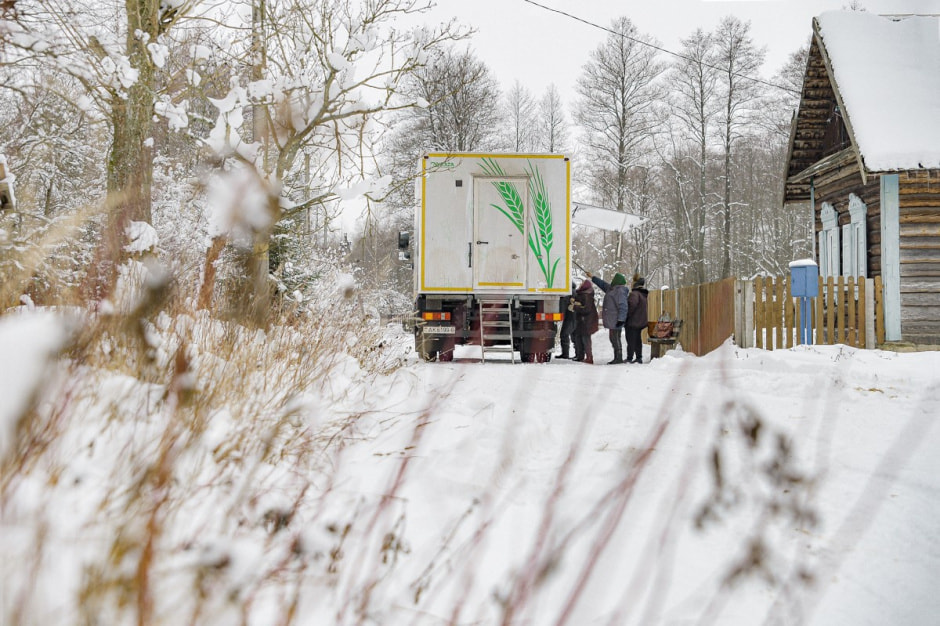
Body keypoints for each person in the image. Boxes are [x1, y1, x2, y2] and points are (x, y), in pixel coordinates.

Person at [587, 270, 629, 364]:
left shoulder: (620, 291)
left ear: (616, 281)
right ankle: (617, 357)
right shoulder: (612, 289)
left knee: (615, 338)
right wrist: (592, 277)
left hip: (616, 319)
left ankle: (618, 358)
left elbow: (623, 306)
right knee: (613, 338)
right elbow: (602, 284)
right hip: (612, 319)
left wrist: (621, 319)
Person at [571, 278, 599, 363]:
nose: (580, 285)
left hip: (586, 321)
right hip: (582, 321)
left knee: (585, 339)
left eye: (582, 283)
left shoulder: (587, 295)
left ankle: (589, 357)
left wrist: (575, 307)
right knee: (579, 337)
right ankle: (580, 356)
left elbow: (586, 309)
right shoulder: (583, 294)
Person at [626, 275, 649, 363]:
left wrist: (626, 316)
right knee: (637, 340)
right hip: (640, 321)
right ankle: (639, 357)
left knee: (631, 339)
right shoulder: (643, 294)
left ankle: (629, 357)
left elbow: (631, 306)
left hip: (633, 321)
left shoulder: (634, 294)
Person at [555, 281, 577, 359]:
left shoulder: (568, 293)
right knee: (575, 336)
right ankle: (578, 354)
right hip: (576, 318)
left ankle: (565, 354)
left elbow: (563, 306)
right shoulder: (575, 292)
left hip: (570, 318)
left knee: (564, 334)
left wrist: (560, 315)